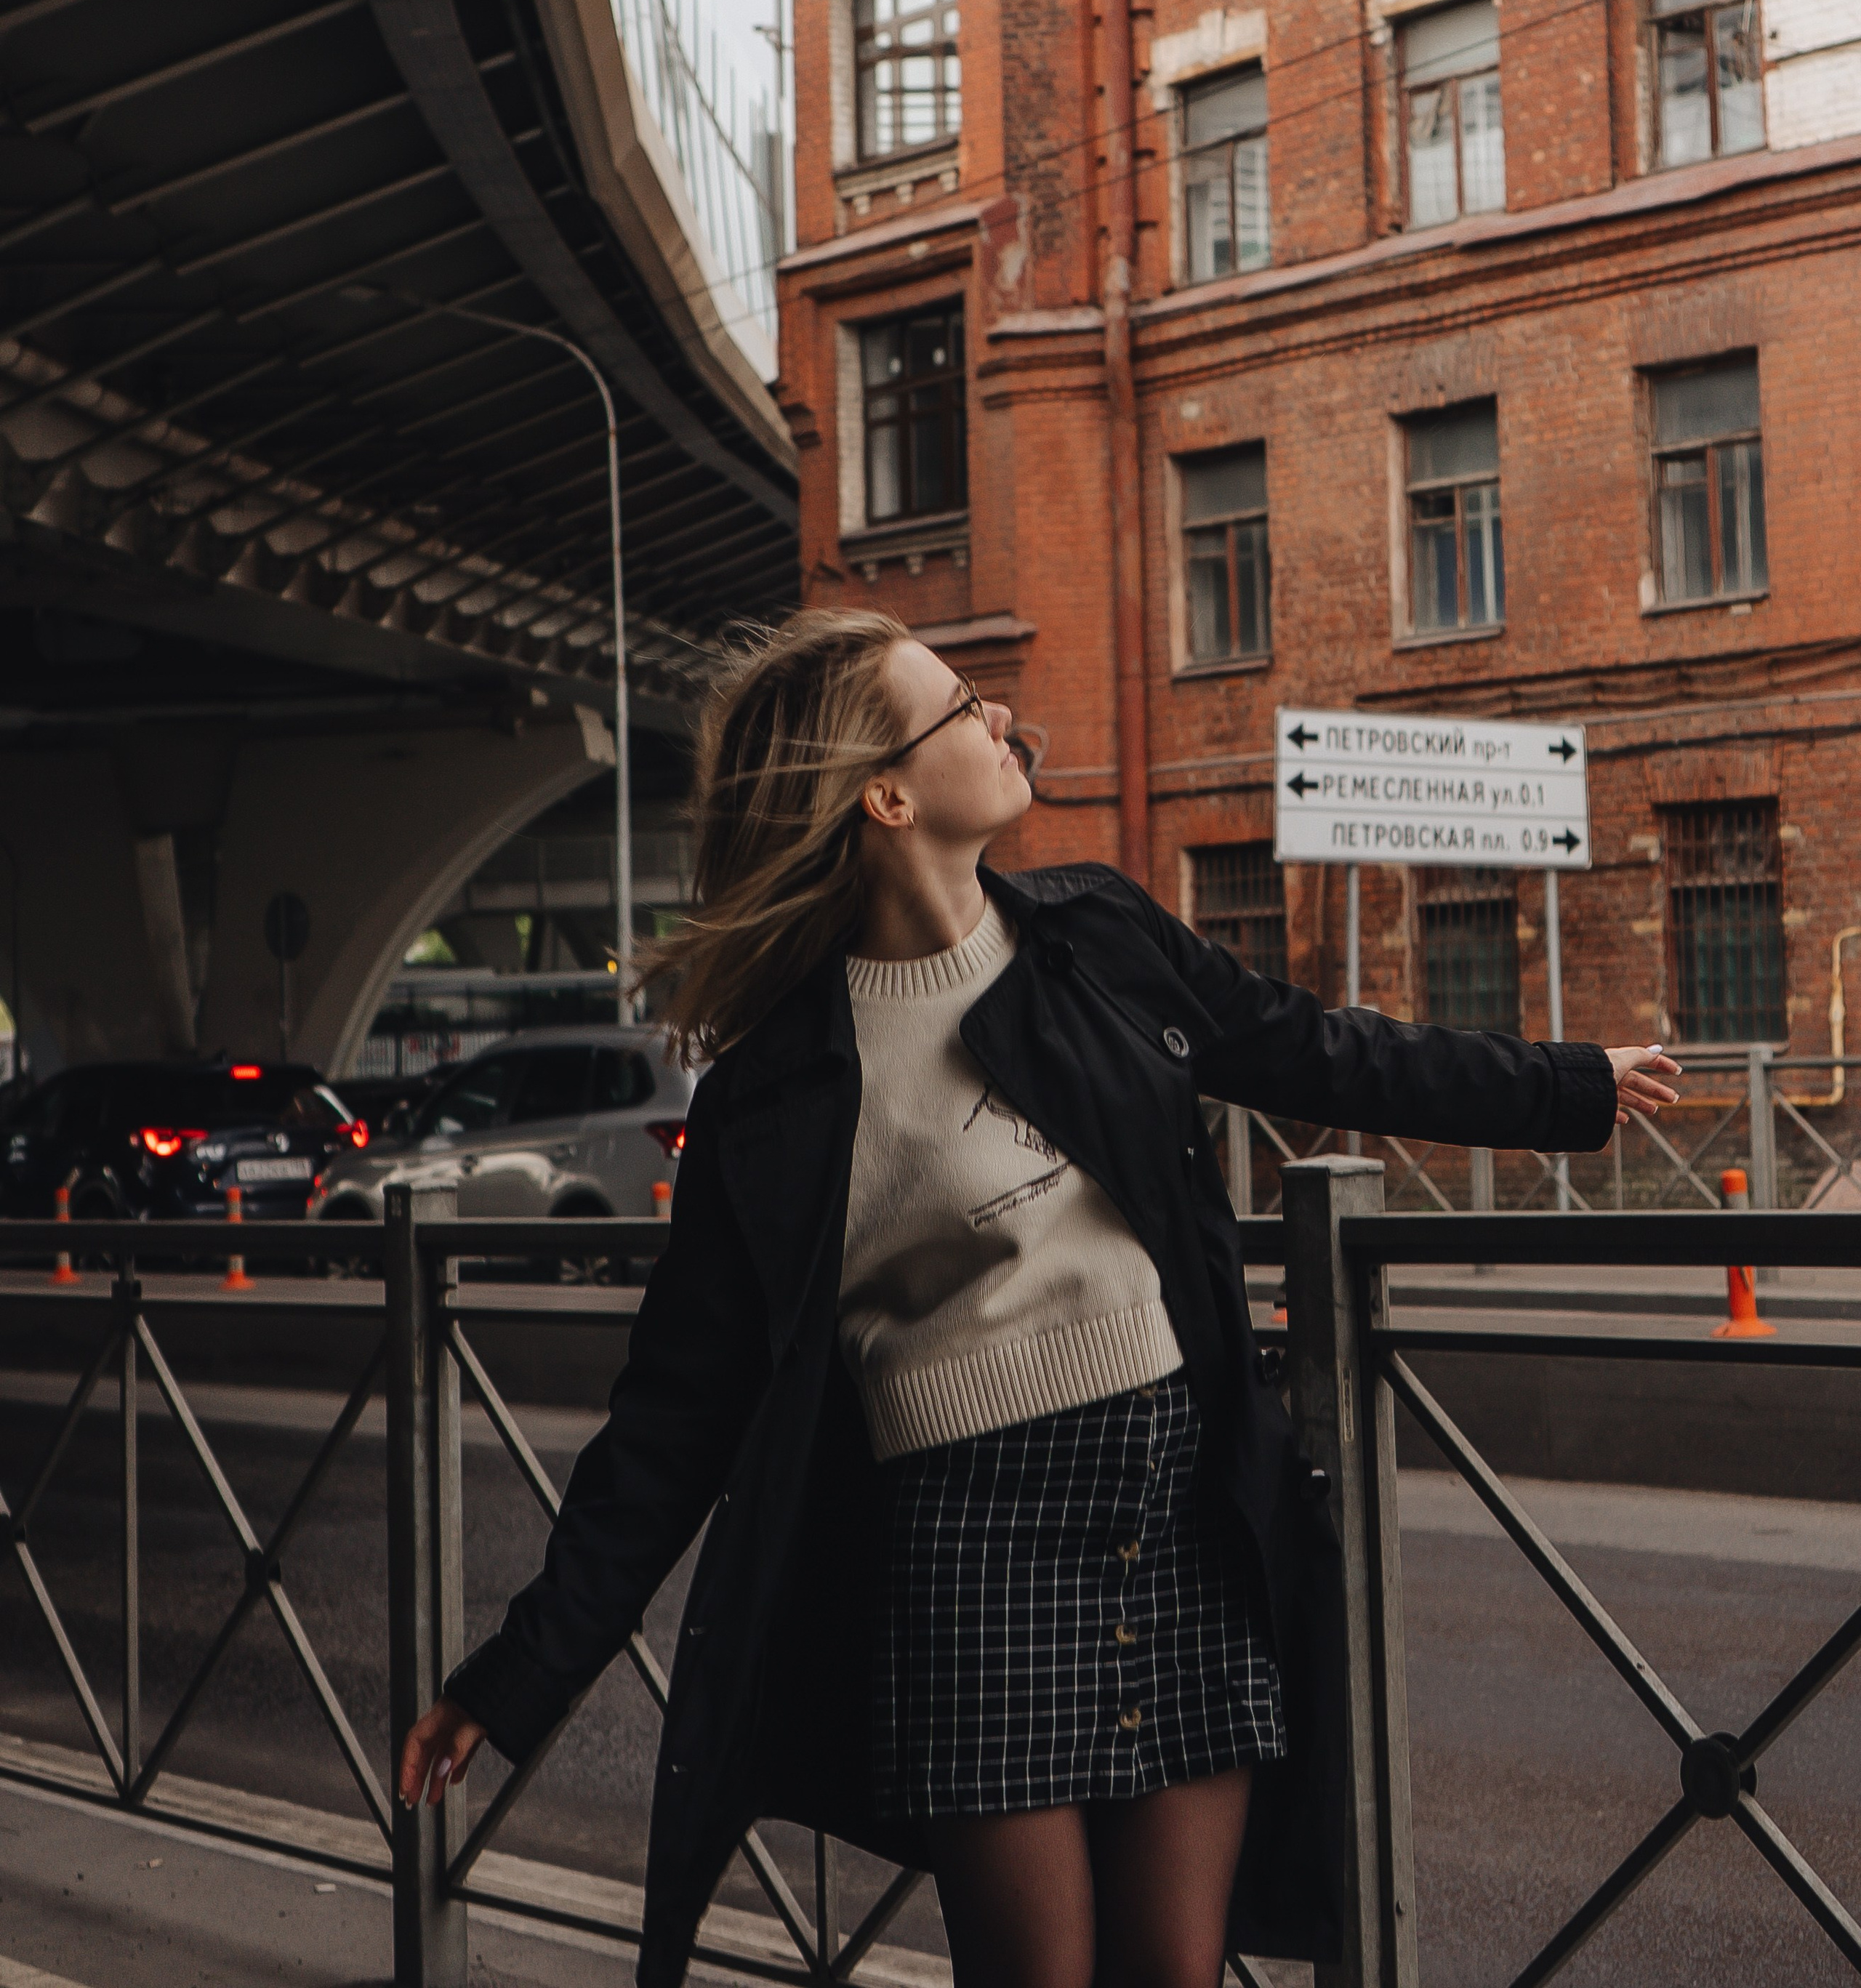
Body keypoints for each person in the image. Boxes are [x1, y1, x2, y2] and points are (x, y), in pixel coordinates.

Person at [398, 609, 1679, 1988]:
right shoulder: (776, 1090)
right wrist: (516, 1677)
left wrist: (1569, 1089)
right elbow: (672, 1420)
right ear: (886, 793)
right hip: (973, 1545)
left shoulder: (1099, 941)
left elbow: (1314, 1051)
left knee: (1175, 1976)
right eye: (959, 708)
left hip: (1188, 1505)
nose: (999, 721)